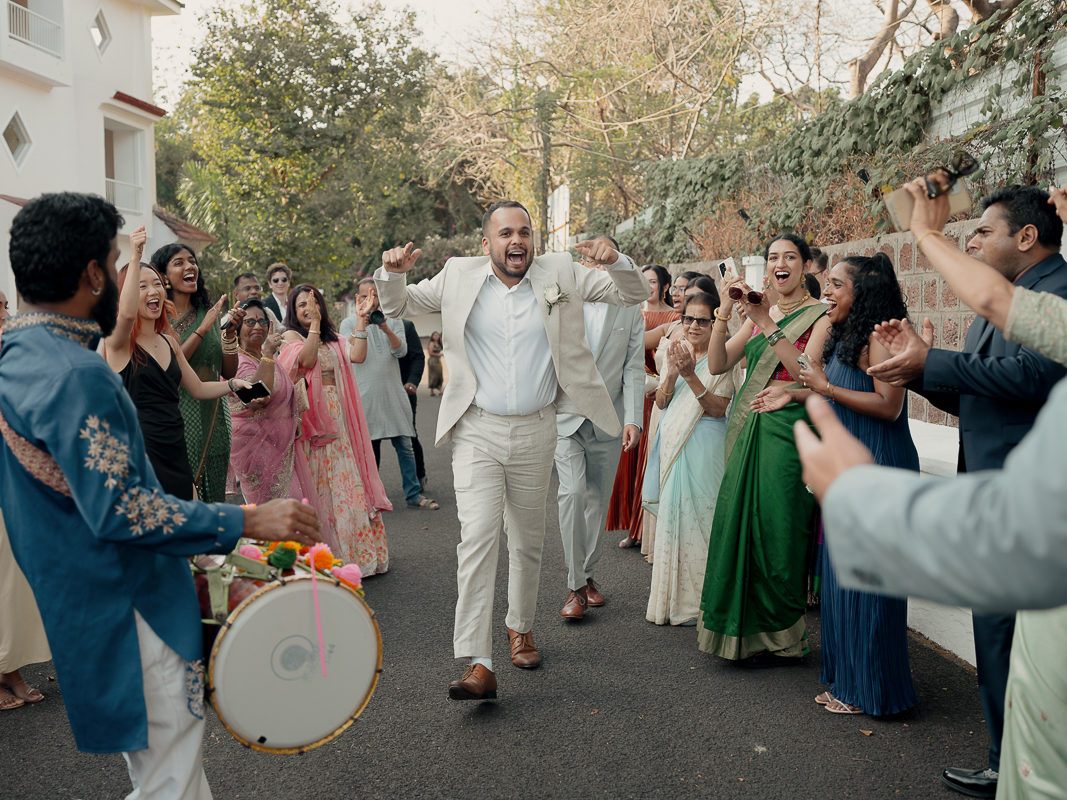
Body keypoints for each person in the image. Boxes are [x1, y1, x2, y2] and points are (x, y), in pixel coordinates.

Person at [0, 192, 320, 798]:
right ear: (94, 274)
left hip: (80, 602)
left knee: (170, 779)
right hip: (131, 605)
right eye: (114, 264)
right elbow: (122, 509)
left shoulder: (15, 355)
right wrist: (247, 522)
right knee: (171, 783)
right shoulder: (78, 375)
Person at [375, 200, 648, 700]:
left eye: (524, 232)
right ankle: (478, 662)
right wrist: (392, 275)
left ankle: (519, 628)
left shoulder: (561, 272)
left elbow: (633, 294)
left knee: (526, 539)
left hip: (539, 428)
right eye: (505, 233)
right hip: (476, 429)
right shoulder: (458, 275)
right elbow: (398, 306)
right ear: (487, 243)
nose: (516, 240)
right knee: (477, 537)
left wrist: (616, 261)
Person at [863, 184, 1067, 799]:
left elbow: (1032, 377)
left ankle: (1024, 769)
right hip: (993, 497)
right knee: (996, 637)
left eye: (982, 231)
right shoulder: (1001, 301)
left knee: (1020, 642)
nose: (971, 242)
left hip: (1031, 504)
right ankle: (1006, 760)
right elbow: (980, 395)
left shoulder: (1055, 290)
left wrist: (931, 362)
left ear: (1026, 236)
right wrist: (917, 372)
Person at [780, 253, 918, 716]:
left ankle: (873, 690)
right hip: (849, 467)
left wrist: (824, 388)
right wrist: (795, 392)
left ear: (863, 293)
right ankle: (849, 681)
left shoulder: (878, 338)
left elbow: (888, 406)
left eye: (837, 284)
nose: (827, 291)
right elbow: (825, 386)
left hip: (879, 462)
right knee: (842, 581)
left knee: (870, 584)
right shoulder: (846, 335)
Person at [698, 233, 831, 665]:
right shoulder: (761, 311)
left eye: (790, 257)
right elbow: (718, 363)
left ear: (805, 266)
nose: (780, 263)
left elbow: (807, 374)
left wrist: (768, 325)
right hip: (748, 426)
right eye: (773, 257)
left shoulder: (821, 315)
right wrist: (723, 311)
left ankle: (784, 637)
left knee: (780, 530)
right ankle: (743, 634)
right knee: (739, 526)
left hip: (791, 431)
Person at [555, 234, 645, 620]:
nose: (597, 265)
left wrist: (633, 419)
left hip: (609, 418)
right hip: (564, 415)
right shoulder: (559, 298)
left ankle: (587, 575)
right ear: (581, 264)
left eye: (605, 259)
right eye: (591, 259)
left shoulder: (629, 305)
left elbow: (633, 367)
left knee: (597, 500)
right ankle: (575, 586)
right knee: (573, 493)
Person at [279, 284, 392, 575]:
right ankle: (326, 557)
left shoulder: (334, 339)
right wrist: (315, 325)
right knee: (318, 485)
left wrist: (361, 320)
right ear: (293, 311)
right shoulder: (291, 336)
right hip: (310, 423)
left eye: (313, 303)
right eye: (302, 305)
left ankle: (356, 556)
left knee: (345, 482)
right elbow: (306, 361)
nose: (308, 308)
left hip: (338, 418)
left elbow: (358, 355)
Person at [644, 291, 734, 626]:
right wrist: (671, 373)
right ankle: (673, 603)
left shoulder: (722, 358)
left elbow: (718, 408)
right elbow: (662, 402)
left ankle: (703, 603)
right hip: (674, 447)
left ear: (715, 323)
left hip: (705, 449)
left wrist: (690, 376)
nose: (694, 326)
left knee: (704, 522)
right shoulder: (675, 349)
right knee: (676, 522)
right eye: (688, 319)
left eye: (702, 320)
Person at [227, 299, 335, 547]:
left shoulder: (267, 357)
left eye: (262, 321)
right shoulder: (237, 362)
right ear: (238, 329)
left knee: (294, 507)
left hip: (282, 447)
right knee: (277, 513)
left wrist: (295, 413)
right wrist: (267, 354)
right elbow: (257, 398)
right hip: (256, 451)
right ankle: (278, 564)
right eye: (249, 321)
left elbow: (283, 391)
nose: (257, 326)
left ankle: (299, 564)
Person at [338, 278, 438, 510]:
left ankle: (413, 494)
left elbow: (401, 351)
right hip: (365, 398)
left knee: (405, 447)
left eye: (375, 295)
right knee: (369, 452)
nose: (371, 300)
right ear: (358, 298)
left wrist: (385, 327)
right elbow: (345, 350)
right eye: (365, 296)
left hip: (393, 395)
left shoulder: (393, 321)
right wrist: (361, 322)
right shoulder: (348, 323)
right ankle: (371, 498)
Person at [153, 242, 239, 503]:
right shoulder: (157, 318)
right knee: (182, 498)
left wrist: (229, 336)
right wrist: (202, 330)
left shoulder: (206, 312)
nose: (189, 266)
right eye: (179, 262)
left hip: (213, 418)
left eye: (192, 261)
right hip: (175, 417)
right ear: (163, 276)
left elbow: (228, 371)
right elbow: (171, 366)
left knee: (213, 499)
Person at [0, 292, 51, 712]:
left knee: (13, 576)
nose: (5, 314)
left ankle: (9, 667)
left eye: (4, 307)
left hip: (13, 474)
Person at [608, 263, 680, 549]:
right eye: (642, 281)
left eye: (652, 281)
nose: (647, 286)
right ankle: (632, 528)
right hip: (633, 393)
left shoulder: (675, 318)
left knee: (648, 463)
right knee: (630, 462)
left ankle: (646, 529)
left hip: (658, 395)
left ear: (664, 286)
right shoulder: (630, 313)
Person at [397, 317, 428, 489]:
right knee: (373, 440)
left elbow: (417, 356)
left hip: (404, 390)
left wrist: (412, 381)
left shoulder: (406, 326)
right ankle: (371, 491)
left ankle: (419, 476)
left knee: (408, 435)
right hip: (374, 393)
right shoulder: (362, 326)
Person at [427, 331, 445, 395]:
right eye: (434, 335)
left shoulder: (439, 343)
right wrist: (438, 354)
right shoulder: (432, 343)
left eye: (437, 335)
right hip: (433, 361)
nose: (436, 336)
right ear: (432, 337)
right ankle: (432, 391)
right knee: (433, 375)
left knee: (440, 374)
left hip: (438, 361)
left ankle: (440, 390)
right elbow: (430, 353)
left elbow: (443, 349)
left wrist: (441, 341)